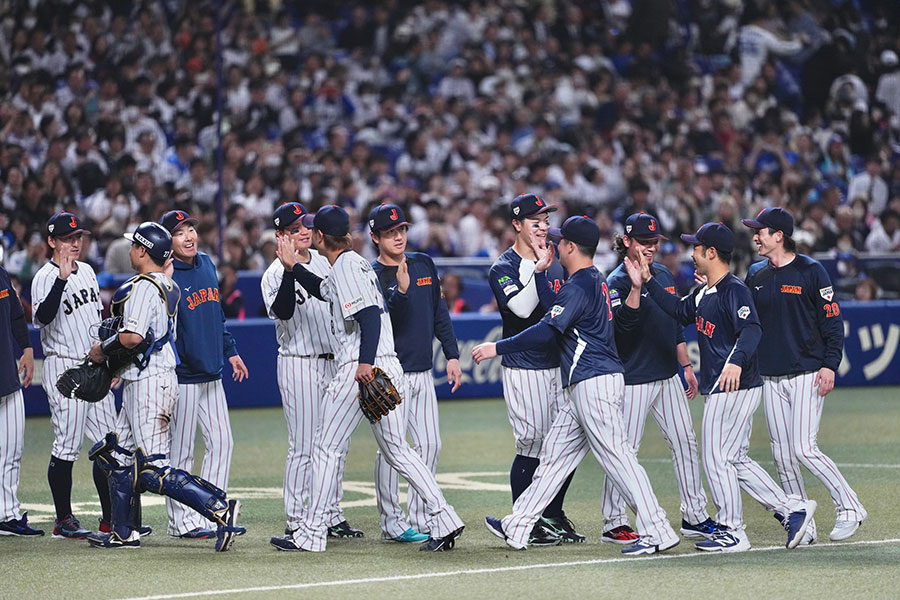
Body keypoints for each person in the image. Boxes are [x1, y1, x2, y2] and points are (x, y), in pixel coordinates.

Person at [476, 216, 680, 555]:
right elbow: (553, 311)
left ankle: (658, 530)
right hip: (585, 384)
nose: (554, 243)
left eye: (560, 240)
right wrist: (540, 274)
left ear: (570, 246)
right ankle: (519, 524)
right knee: (554, 458)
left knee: (619, 459)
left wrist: (496, 348)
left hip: (594, 383)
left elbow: (545, 330)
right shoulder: (592, 279)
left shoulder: (580, 285)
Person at [268, 205, 464, 552]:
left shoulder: (345, 267)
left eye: (313, 231)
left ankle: (312, 533)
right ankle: (445, 517)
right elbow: (323, 290)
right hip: (388, 365)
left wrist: (364, 364)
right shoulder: (353, 263)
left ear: (320, 237)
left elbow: (370, 315)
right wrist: (293, 268)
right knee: (399, 451)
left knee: (326, 447)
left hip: (359, 367)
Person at [642, 222, 816, 552]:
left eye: (696, 248)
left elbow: (751, 329)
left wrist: (735, 361)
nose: (692, 254)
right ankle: (792, 509)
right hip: (726, 386)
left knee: (716, 457)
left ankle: (732, 530)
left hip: (734, 384)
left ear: (711, 253)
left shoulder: (733, 290)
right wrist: (648, 280)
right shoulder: (705, 291)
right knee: (734, 458)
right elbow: (678, 311)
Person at [85, 222, 240, 550]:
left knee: (155, 468)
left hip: (151, 383)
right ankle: (124, 533)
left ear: (143, 251)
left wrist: (103, 350)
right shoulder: (166, 283)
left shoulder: (144, 287)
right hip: (145, 378)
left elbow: (133, 337)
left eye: (134, 246)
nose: (130, 251)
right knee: (119, 457)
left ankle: (220, 508)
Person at [742, 207, 866, 542]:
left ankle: (851, 507)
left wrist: (830, 364)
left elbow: (832, 322)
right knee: (782, 455)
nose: (756, 237)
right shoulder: (755, 274)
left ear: (778, 235)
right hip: (770, 376)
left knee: (803, 448)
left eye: (760, 231)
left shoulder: (812, 271)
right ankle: (802, 524)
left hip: (807, 372)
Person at [601, 213, 719, 545]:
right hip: (633, 377)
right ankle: (614, 521)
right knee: (624, 451)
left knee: (685, 442)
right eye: (644, 242)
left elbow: (674, 324)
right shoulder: (615, 281)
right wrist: (636, 287)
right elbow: (619, 330)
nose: (651, 247)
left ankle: (694, 516)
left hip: (667, 374)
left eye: (654, 242)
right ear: (627, 242)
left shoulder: (664, 275)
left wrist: (686, 366)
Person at [485, 193, 583, 546]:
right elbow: (524, 310)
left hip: (559, 365)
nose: (543, 228)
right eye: (535, 222)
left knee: (562, 446)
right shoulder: (504, 266)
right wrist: (538, 268)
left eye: (546, 222)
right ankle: (525, 521)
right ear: (517, 224)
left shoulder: (555, 261)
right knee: (532, 445)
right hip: (524, 367)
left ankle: (552, 515)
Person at [260, 202, 361, 540]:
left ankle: (330, 514)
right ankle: (296, 517)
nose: (303, 231)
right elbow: (284, 312)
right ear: (280, 236)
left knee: (335, 443)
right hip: (299, 362)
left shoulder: (324, 261)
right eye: (294, 229)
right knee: (304, 444)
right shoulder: (273, 274)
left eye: (304, 225)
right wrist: (290, 270)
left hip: (336, 361)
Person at [369, 203, 463, 543]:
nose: (398, 237)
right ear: (375, 238)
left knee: (430, 445)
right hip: (390, 374)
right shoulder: (371, 275)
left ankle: (421, 518)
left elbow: (439, 311)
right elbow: (381, 323)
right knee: (391, 451)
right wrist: (401, 291)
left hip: (423, 371)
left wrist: (452, 355)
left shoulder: (423, 262)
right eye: (390, 233)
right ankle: (391, 521)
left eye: (402, 230)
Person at [160, 210, 249, 539]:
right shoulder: (166, 274)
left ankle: (212, 513)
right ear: (168, 241)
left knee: (223, 443)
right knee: (181, 452)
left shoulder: (207, 264)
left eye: (191, 229)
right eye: (180, 232)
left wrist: (231, 350)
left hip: (212, 372)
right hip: (183, 375)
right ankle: (180, 522)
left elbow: (217, 315)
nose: (189, 236)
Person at [30, 213, 117, 539]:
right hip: (64, 366)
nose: (75, 243)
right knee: (67, 444)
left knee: (110, 443)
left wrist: (110, 363)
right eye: (67, 238)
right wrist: (61, 280)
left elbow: (99, 321)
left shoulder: (90, 271)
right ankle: (63, 520)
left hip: (95, 364)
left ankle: (111, 520)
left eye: (78, 237)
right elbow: (42, 317)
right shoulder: (44, 277)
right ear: (52, 241)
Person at [0, 262, 40, 536]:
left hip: (7, 376)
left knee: (11, 452)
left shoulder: (0, 272)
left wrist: (27, 347)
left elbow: (15, 313)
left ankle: (7, 515)